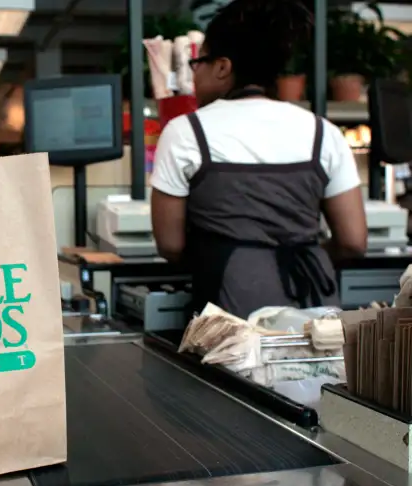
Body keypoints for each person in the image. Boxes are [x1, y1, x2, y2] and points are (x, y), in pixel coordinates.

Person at [150, 0, 367, 319]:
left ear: (222, 67)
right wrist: (302, 254)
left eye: (199, 62)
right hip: (315, 310)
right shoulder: (324, 132)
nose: (195, 73)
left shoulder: (186, 132)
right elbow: (353, 241)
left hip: (231, 311)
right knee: (314, 369)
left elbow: (170, 244)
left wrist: (231, 259)